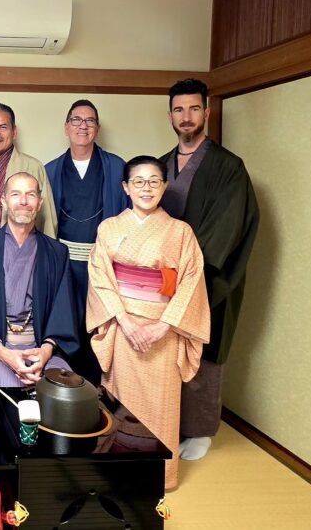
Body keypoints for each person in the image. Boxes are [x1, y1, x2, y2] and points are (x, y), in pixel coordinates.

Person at [86, 155, 211, 489]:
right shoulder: (109, 228)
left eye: (154, 181)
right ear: (126, 187)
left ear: (164, 186)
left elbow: (191, 282)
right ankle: (120, 471)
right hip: (123, 329)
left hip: (163, 331)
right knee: (122, 405)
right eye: (138, 181)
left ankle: (159, 477)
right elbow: (100, 279)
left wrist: (163, 325)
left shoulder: (180, 232)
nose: (146, 188)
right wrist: (125, 323)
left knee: (160, 407)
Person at [158, 79, 260, 461]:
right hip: (164, 278)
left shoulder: (228, 167)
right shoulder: (162, 164)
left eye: (194, 109)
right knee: (168, 351)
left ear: (207, 112)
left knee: (203, 349)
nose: (186, 117)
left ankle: (201, 430)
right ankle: (170, 422)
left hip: (208, 274)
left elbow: (228, 226)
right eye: (179, 110)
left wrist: (186, 270)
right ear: (170, 115)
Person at [0, 173, 80, 389]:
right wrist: (3, 353)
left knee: (65, 396)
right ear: (4, 201)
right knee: (11, 397)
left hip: (42, 350)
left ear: (40, 203)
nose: (23, 201)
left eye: (30, 194)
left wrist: (45, 352)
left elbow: (63, 312)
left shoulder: (57, 253)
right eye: (15, 194)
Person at [45, 100, 130, 384]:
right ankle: (65, 389)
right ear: (66, 126)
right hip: (64, 264)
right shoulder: (51, 170)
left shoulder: (117, 168)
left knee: (101, 328)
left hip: (103, 264)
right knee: (65, 326)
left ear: (97, 127)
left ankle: (100, 391)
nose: (83, 126)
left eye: (90, 120)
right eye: (77, 120)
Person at [0, 102, 58, 237]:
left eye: (3, 127)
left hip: (13, 248)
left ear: (14, 132)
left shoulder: (32, 166)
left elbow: (47, 221)